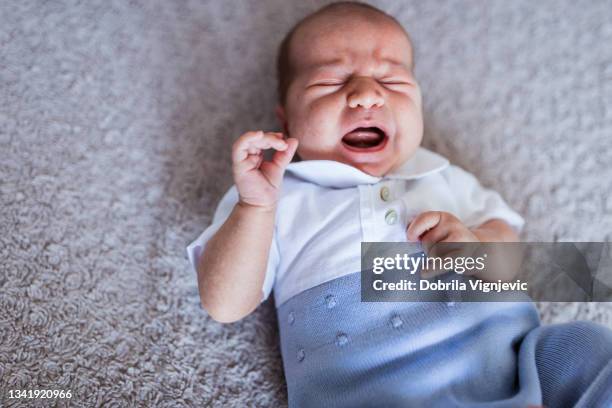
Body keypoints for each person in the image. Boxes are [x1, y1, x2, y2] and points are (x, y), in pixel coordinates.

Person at [187, 2, 612, 406]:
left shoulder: (442, 175)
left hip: (513, 366)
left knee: (586, 347)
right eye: (330, 82)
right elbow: (225, 304)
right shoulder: (276, 193)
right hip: (375, 392)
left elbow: (508, 243)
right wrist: (255, 209)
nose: (367, 95)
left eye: (392, 81)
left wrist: (475, 246)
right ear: (286, 119)